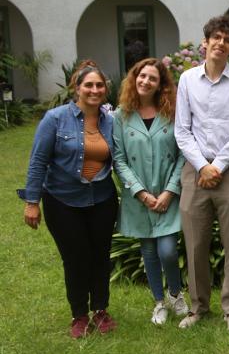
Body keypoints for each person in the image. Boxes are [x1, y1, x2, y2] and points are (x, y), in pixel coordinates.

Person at [19, 62, 119, 338]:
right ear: (77, 88)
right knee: (75, 259)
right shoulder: (55, 119)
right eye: (89, 85)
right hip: (62, 201)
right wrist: (31, 202)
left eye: (99, 85)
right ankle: (79, 315)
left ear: (105, 90)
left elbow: (119, 160)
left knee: (100, 256)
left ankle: (100, 309)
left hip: (101, 199)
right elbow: (38, 161)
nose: (94, 90)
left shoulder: (110, 122)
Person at [175, 14, 229, 331]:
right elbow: (182, 130)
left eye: (227, 40)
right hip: (194, 169)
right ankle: (198, 307)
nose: (220, 43)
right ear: (205, 43)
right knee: (194, 241)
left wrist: (217, 166)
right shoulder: (187, 80)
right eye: (216, 38)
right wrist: (202, 166)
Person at [112, 58, 188, 326]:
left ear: (160, 85)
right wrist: (141, 193)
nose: (145, 81)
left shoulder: (172, 112)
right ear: (134, 78)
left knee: (167, 250)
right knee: (149, 252)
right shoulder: (120, 116)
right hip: (139, 198)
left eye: (152, 78)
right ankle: (159, 302)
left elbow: (182, 155)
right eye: (141, 76)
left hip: (168, 195)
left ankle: (176, 294)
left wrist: (169, 191)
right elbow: (118, 159)